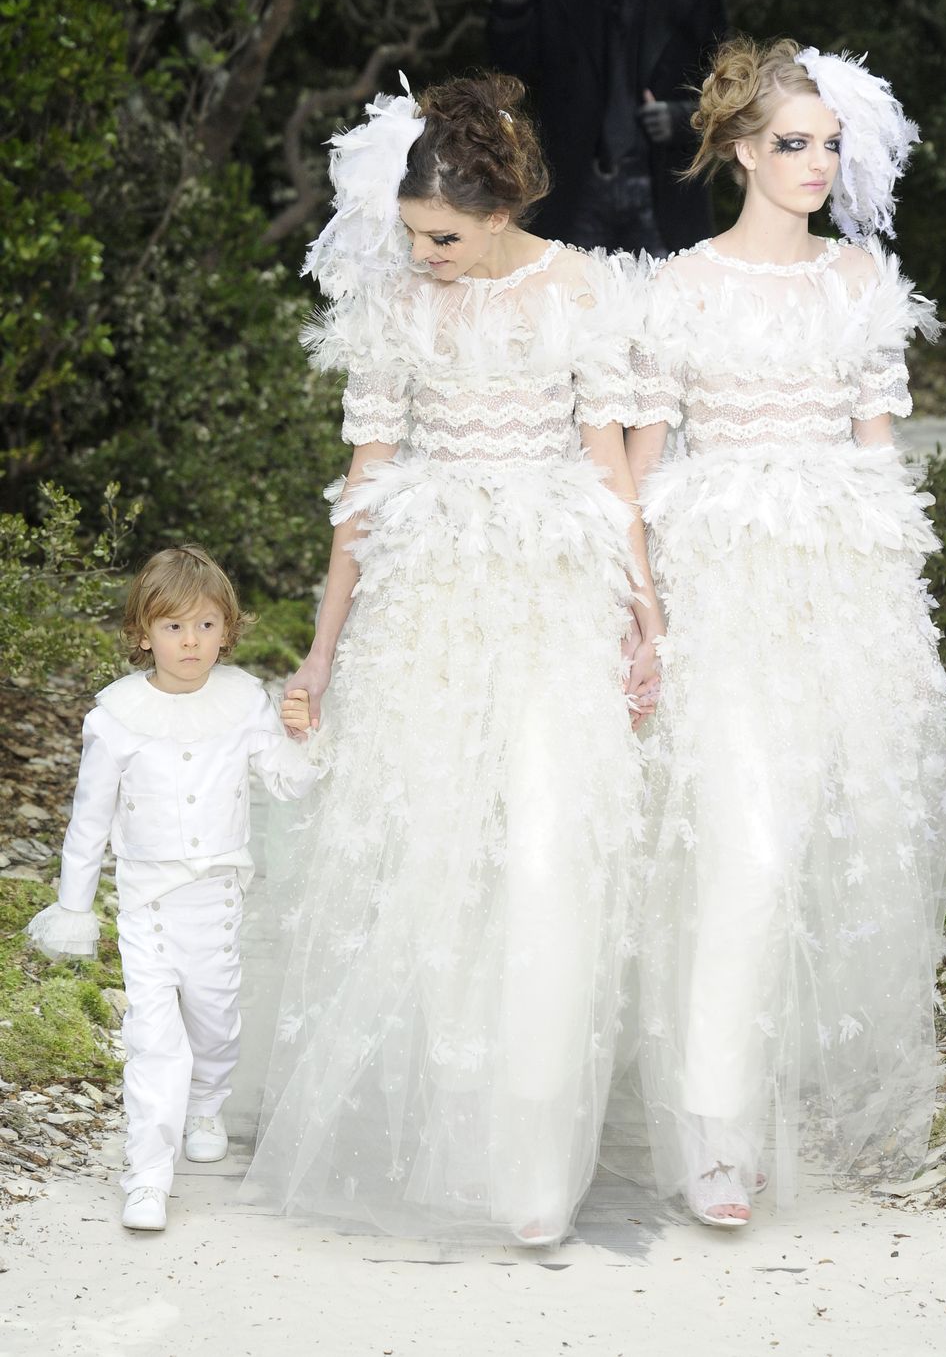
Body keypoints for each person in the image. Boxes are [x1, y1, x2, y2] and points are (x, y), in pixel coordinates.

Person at [241, 72, 663, 1248]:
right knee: (432, 865)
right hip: (424, 611)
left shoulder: (578, 287)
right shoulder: (395, 308)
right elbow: (363, 489)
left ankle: (535, 1161)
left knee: (541, 858)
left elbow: (613, 472)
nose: (420, 252)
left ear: (499, 210)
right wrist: (322, 654)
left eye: (440, 235)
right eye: (410, 232)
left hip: (546, 601)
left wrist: (645, 618)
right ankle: (453, 1137)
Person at [625, 38, 946, 1227]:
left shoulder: (861, 284)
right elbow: (644, 467)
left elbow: (878, 453)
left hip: (840, 600)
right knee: (745, 856)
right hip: (721, 599)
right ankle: (717, 1132)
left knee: (813, 858)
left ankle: (762, 1105)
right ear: (733, 148)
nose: (815, 163)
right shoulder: (676, 289)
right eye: (790, 143)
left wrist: (901, 633)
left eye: (828, 144)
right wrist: (644, 616)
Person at [25, 546, 325, 1232]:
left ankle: (207, 1101)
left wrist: (302, 736)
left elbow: (287, 780)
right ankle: (148, 1173)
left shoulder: (244, 701)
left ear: (227, 629)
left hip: (216, 896)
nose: (191, 642)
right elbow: (89, 817)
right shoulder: (118, 716)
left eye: (206, 626)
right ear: (143, 634)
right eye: (173, 627)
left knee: (215, 1019)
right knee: (155, 1036)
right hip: (147, 903)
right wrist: (75, 904)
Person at [488, 0, 728, 256]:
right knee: (568, 310)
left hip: (664, 190)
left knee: (667, 314)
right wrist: (511, 7)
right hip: (572, 191)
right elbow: (511, 79)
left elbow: (727, 92)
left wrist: (679, 116)